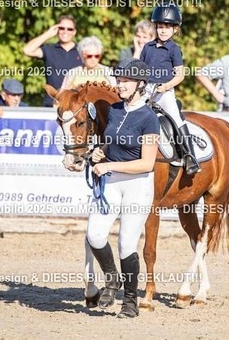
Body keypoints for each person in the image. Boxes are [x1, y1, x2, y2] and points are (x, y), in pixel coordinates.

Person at [89, 58, 160, 319]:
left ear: (140, 84)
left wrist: (109, 166)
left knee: (126, 244)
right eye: (119, 80)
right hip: (111, 182)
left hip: (137, 185)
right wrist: (99, 152)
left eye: (126, 81)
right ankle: (112, 278)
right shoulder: (115, 109)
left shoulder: (149, 118)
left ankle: (130, 301)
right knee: (95, 236)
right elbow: (110, 142)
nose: (120, 84)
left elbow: (147, 163)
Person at [137, 3, 200, 175]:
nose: (163, 30)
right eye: (160, 26)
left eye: (167, 27)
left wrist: (165, 86)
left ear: (175, 29)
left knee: (176, 118)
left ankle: (190, 156)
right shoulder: (147, 47)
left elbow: (180, 76)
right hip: (146, 90)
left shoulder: (174, 50)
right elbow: (141, 70)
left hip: (164, 91)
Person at [23, 14, 82, 107]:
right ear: (57, 29)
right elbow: (27, 50)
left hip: (76, 105)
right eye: (62, 28)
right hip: (52, 103)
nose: (65, 31)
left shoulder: (82, 51)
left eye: (69, 29)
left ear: (74, 32)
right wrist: (48, 34)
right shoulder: (49, 49)